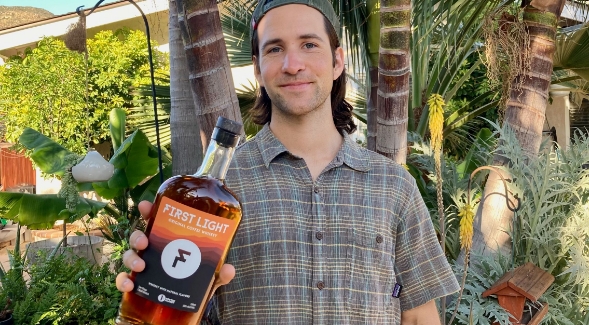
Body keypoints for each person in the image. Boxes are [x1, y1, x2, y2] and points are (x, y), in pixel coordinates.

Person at [116, 0, 460, 324]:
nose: (292, 65)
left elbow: (419, 316)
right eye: (275, 48)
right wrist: (156, 288)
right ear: (258, 69)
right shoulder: (214, 197)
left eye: (309, 45)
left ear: (338, 61)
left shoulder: (394, 185)